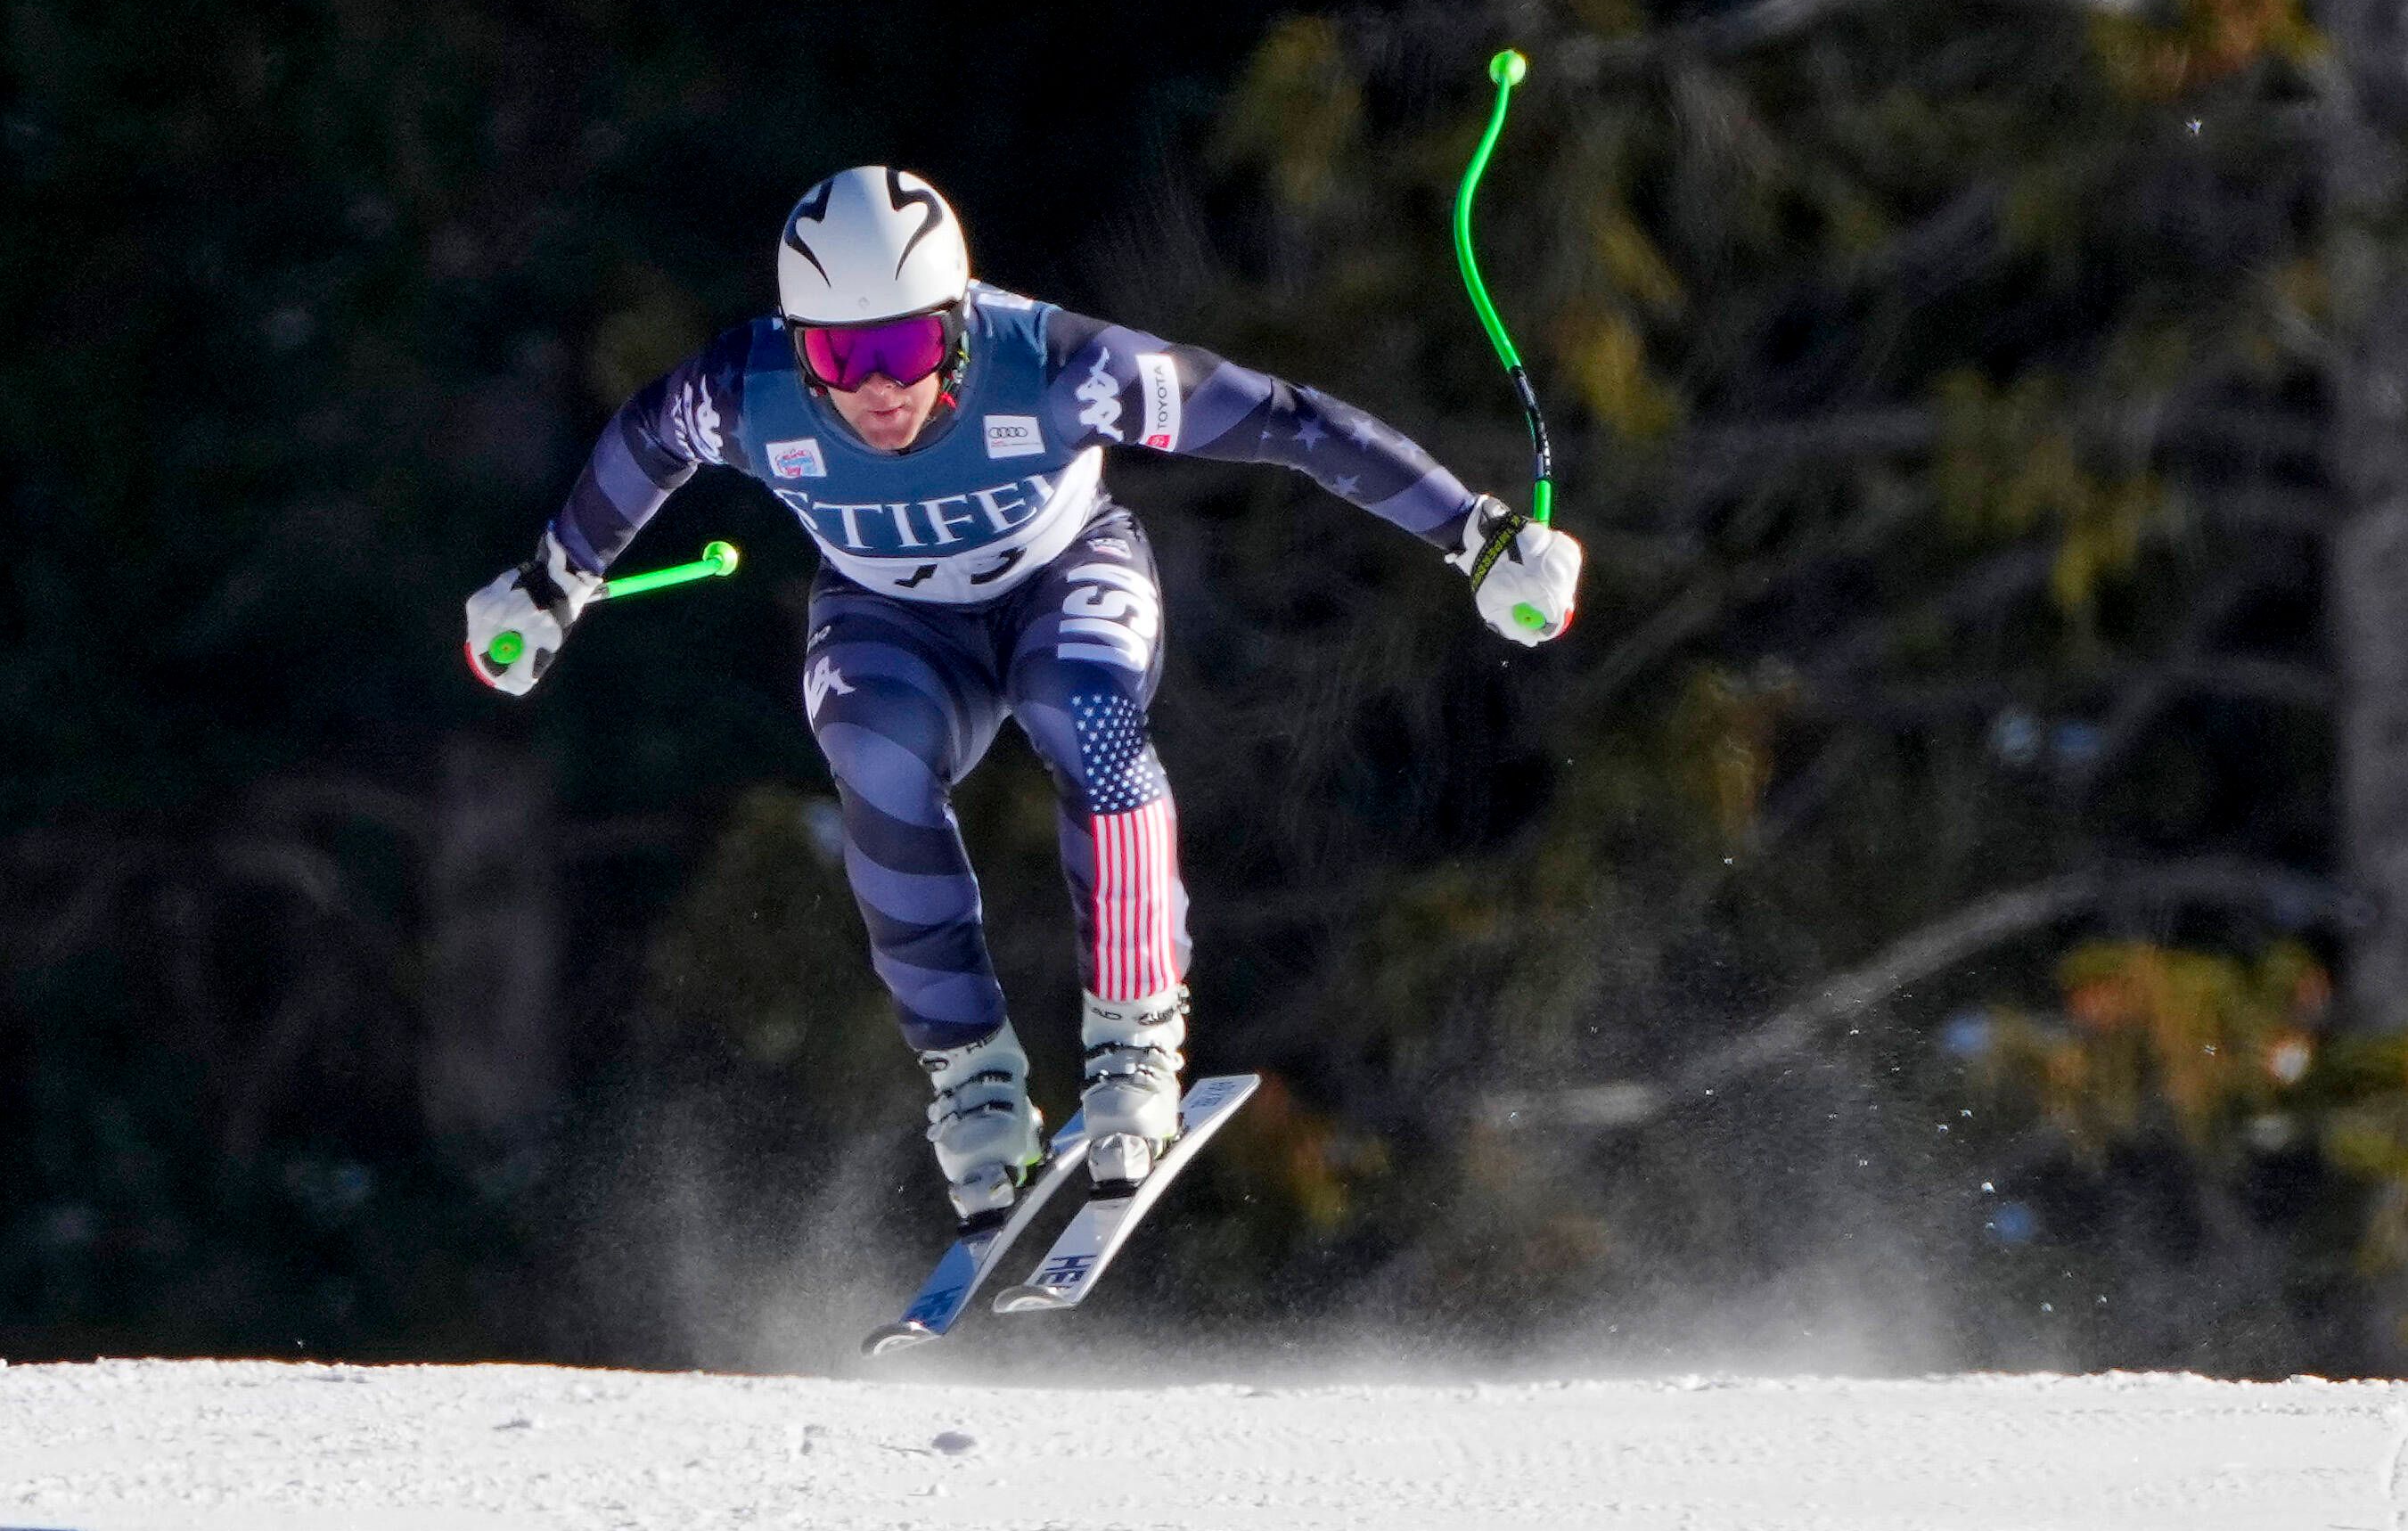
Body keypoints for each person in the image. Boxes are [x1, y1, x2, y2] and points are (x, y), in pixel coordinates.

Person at [464, 166, 1583, 1228]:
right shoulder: (746, 392)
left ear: (955, 324)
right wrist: (553, 582)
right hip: (890, 616)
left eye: (905, 345)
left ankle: (1136, 1027)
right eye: (841, 358)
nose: (878, 390)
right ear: (798, 349)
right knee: (871, 750)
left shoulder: (1059, 367)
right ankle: (971, 1075)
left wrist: (1475, 537)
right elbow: (647, 437)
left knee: (1084, 708)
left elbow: (1283, 421)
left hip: (1061, 576)